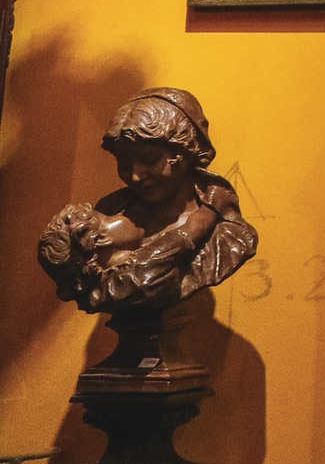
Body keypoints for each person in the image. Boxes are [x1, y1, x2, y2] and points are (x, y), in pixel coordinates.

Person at [38, 88, 257, 314]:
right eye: (125, 164)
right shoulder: (108, 211)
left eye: (150, 160)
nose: (135, 176)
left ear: (184, 152)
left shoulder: (228, 233)